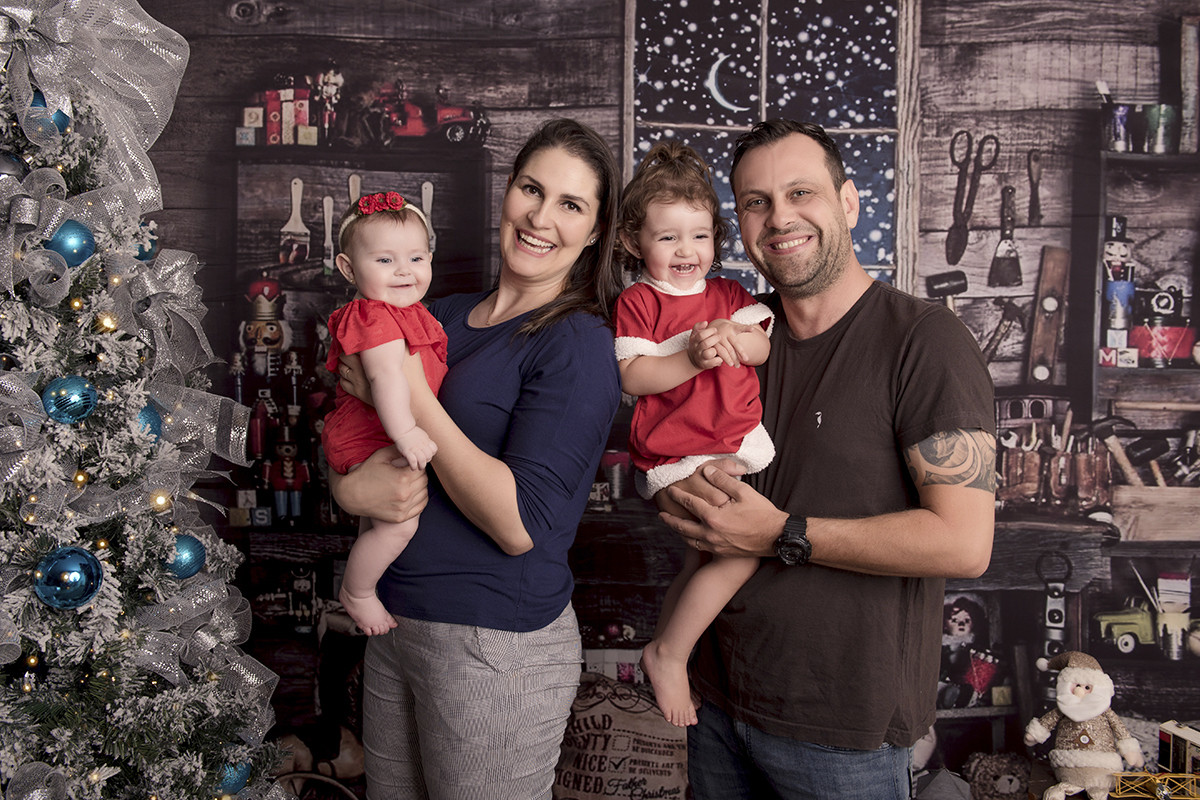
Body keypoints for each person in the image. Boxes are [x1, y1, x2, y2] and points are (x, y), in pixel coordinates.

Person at [658, 119, 997, 799]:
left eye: (801, 193)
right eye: (756, 201)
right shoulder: (735, 337)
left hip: (843, 734)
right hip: (716, 704)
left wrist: (781, 533)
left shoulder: (924, 342)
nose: (779, 217)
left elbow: (964, 544)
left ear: (848, 203)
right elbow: (673, 460)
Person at [327, 118, 623, 800]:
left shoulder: (576, 345)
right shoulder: (437, 313)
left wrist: (406, 393)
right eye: (531, 189)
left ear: (596, 230)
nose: (541, 217)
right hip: (395, 622)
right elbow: (348, 422)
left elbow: (520, 524)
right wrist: (350, 493)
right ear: (508, 192)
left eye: (570, 205)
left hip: (496, 649)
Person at [612, 142, 774, 727]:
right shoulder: (639, 303)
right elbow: (633, 373)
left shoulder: (728, 296)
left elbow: (761, 343)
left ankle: (667, 646)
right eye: (668, 238)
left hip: (727, 442)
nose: (687, 251)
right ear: (635, 243)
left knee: (702, 559)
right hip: (679, 453)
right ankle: (669, 654)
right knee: (740, 557)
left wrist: (736, 335)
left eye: (700, 236)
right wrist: (693, 359)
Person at [321, 192, 448, 636]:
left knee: (383, 516)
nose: (404, 270)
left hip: (378, 430)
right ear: (348, 268)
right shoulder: (374, 317)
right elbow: (386, 378)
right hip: (369, 433)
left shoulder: (409, 313)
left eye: (416, 257)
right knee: (398, 526)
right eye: (385, 260)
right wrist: (409, 431)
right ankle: (356, 592)